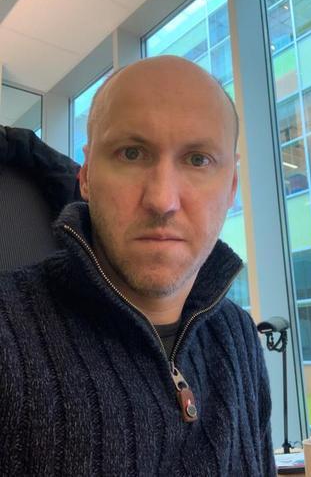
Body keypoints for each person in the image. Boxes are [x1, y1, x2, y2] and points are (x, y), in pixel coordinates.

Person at [0, 56, 276, 476]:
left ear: (232, 187)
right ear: (86, 176)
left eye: (198, 160)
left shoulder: (238, 335)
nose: (162, 200)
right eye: (131, 153)